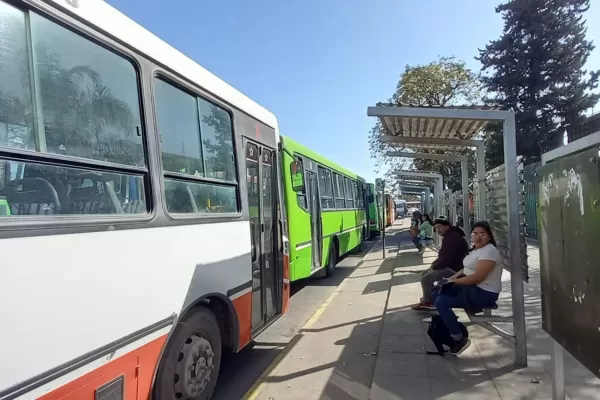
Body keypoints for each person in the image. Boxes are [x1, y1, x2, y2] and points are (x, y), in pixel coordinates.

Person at [432, 221, 503, 355]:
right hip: (473, 288)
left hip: (484, 293)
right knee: (437, 294)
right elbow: (466, 268)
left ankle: (458, 337)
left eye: (482, 234)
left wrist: (453, 283)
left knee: (441, 301)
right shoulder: (477, 249)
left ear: (489, 237)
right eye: (475, 233)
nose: (478, 237)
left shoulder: (489, 251)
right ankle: (452, 325)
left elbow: (478, 277)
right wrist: (451, 279)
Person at [412, 217, 469, 311]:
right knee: (424, 274)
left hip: (455, 269)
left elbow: (446, 258)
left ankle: (428, 302)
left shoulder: (452, 237)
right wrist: (433, 265)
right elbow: (443, 256)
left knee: (426, 279)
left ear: (447, 226)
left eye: (440, 227)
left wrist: (434, 267)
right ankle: (429, 298)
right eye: (436, 228)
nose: (438, 230)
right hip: (451, 266)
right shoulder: (450, 236)